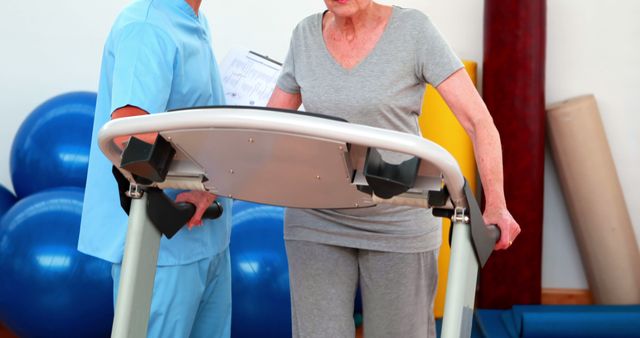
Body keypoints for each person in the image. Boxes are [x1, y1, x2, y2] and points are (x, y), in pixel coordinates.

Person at [267, 1, 521, 337]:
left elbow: (478, 122)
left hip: (398, 216)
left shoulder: (413, 31)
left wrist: (497, 203)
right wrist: (209, 181)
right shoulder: (304, 36)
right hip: (318, 217)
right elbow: (269, 128)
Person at [78, 0, 232, 337]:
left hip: (207, 235)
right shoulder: (147, 26)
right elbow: (130, 137)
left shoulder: (192, 19)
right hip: (162, 245)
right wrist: (204, 183)